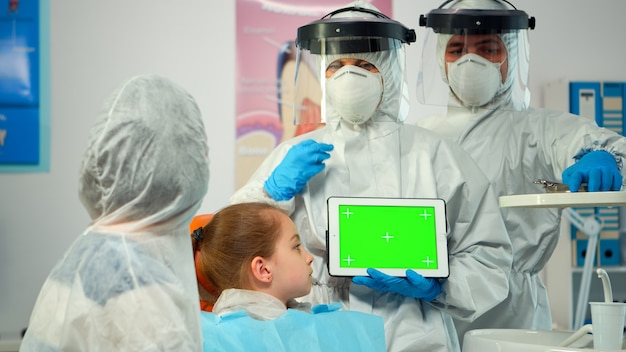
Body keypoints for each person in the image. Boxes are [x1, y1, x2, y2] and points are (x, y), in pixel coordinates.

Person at [230, 2, 513, 351]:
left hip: (416, 329)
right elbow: (232, 236)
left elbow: (490, 254)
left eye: (365, 65)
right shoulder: (296, 155)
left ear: (389, 73)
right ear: (323, 74)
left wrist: (441, 285)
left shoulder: (436, 154)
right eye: (337, 66)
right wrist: (270, 192)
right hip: (319, 324)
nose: (350, 77)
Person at [416, 0, 626, 342]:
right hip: (433, 300)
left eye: (487, 48)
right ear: (442, 60)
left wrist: (601, 155)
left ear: (511, 56)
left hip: (513, 311)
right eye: (456, 49)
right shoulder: (422, 136)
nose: (470, 61)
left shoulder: (537, 129)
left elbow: (603, 145)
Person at [20, 74, 210, 351]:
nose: (205, 158)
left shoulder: (94, 249)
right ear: (181, 164)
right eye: (199, 149)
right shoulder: (138, 285)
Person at [193, 202, 386, 352]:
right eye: (296, 247)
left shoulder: (209, 338)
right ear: (263, 269)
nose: (309, 258)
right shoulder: (220, 341)